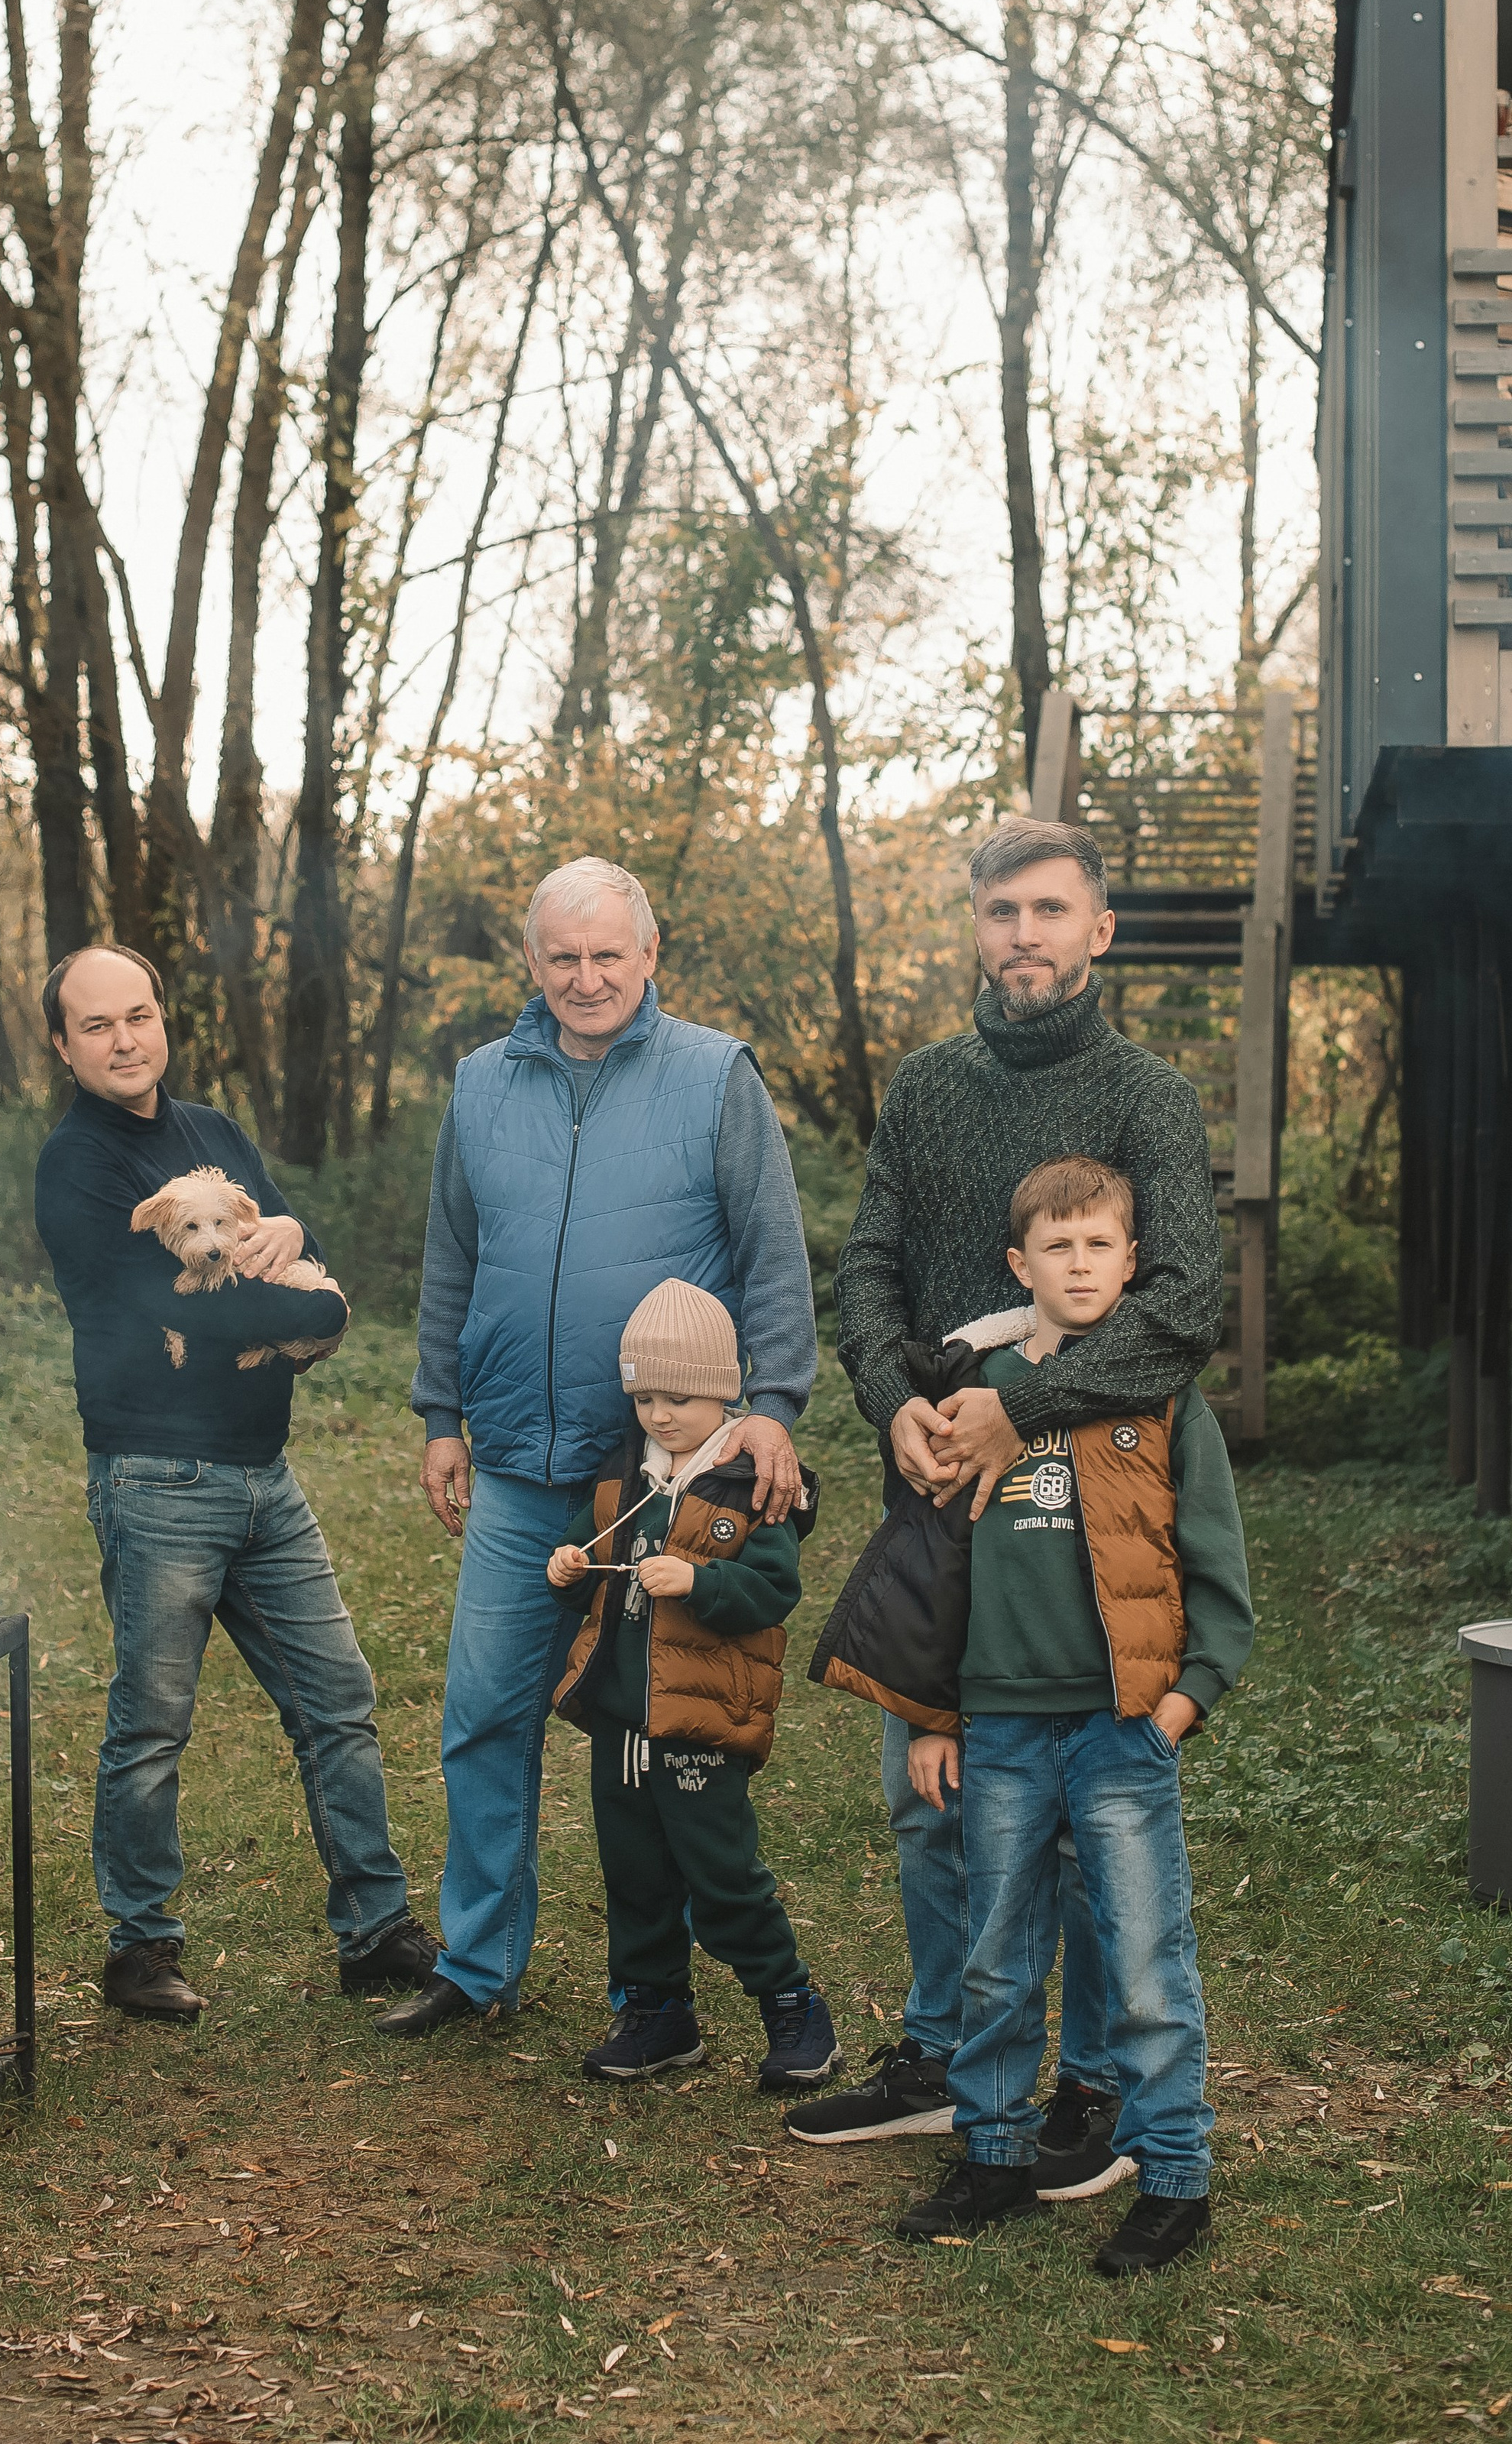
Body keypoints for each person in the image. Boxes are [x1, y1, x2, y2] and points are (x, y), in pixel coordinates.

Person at [788, 816, 1225, 2196]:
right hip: (937, 1499)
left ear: (1098, 931)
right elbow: (864, 1266)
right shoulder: (926, 1087)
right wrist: (895, 1401)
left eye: (1050, 912)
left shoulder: (1146, 1095)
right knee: (934, 1794)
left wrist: (1015, 1407)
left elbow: (1185, 1306)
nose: (1023, 935)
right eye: (1000, 913)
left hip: (1082, 1522)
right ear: (973, 928)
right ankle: (943, 2060)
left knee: (1091, 1838)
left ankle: (1089, 2089)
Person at [382, 857, 818, 2037]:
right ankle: (477, 1965)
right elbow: (451, 1262)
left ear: (647, 957)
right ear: (533, 962)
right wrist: (440, 1414)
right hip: (521, 1459)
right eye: (563, 956)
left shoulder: (713, 1074)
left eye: (607, 955)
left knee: (652, 1730)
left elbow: (773, 1254)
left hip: (659, 1477)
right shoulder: (480, 1082)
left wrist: (772, 1402)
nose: (586, 977)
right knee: (482, 1711)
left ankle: (660, 1988)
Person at [33, 944, 442, 2021]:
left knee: (339, 1699)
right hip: (157, 1477)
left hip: (266, 1472)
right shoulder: (78, 1165)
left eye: (140, 1013)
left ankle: (375, 1927)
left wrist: (301, 1237)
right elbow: (184, 1308)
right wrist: (323, 1309)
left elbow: (289, 1229)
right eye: (96, 1024)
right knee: (154, 1719)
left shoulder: (212, 1130)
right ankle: (141, 1947)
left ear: (164, 1017)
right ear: (63, 1044)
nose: (125, 1039)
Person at [863, 1156, 1252, 2274]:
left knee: (1141, 1957)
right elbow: (935, 1571)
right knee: (998, 1950)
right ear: (1018, 1263)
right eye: (1057, 1246)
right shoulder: (972, 1387)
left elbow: (1217, 1569)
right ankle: (994, 2153)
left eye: (1100, 1246)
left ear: (1132, 1263)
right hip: (997, 1730)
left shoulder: (1162, 1396)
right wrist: (933, 1716)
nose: (1079, 1264)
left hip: (1120, 1725)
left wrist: (1185, 1698)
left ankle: (1174, 2174)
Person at [545, 1279, 841, 2091]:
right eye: (643, 1396)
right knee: (633, 1870)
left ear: (726, 1393)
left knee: (721, 1874)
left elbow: (772, 1592)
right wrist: (568, 1568)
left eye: (679, 1397)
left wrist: (701, 1583)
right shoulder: (623, 1476)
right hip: (622, 1719)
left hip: (701, 1719)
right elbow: (583, 1562)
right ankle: (656, 2011)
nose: (660, 1414)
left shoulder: (750, 1486)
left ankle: (792, 2008)